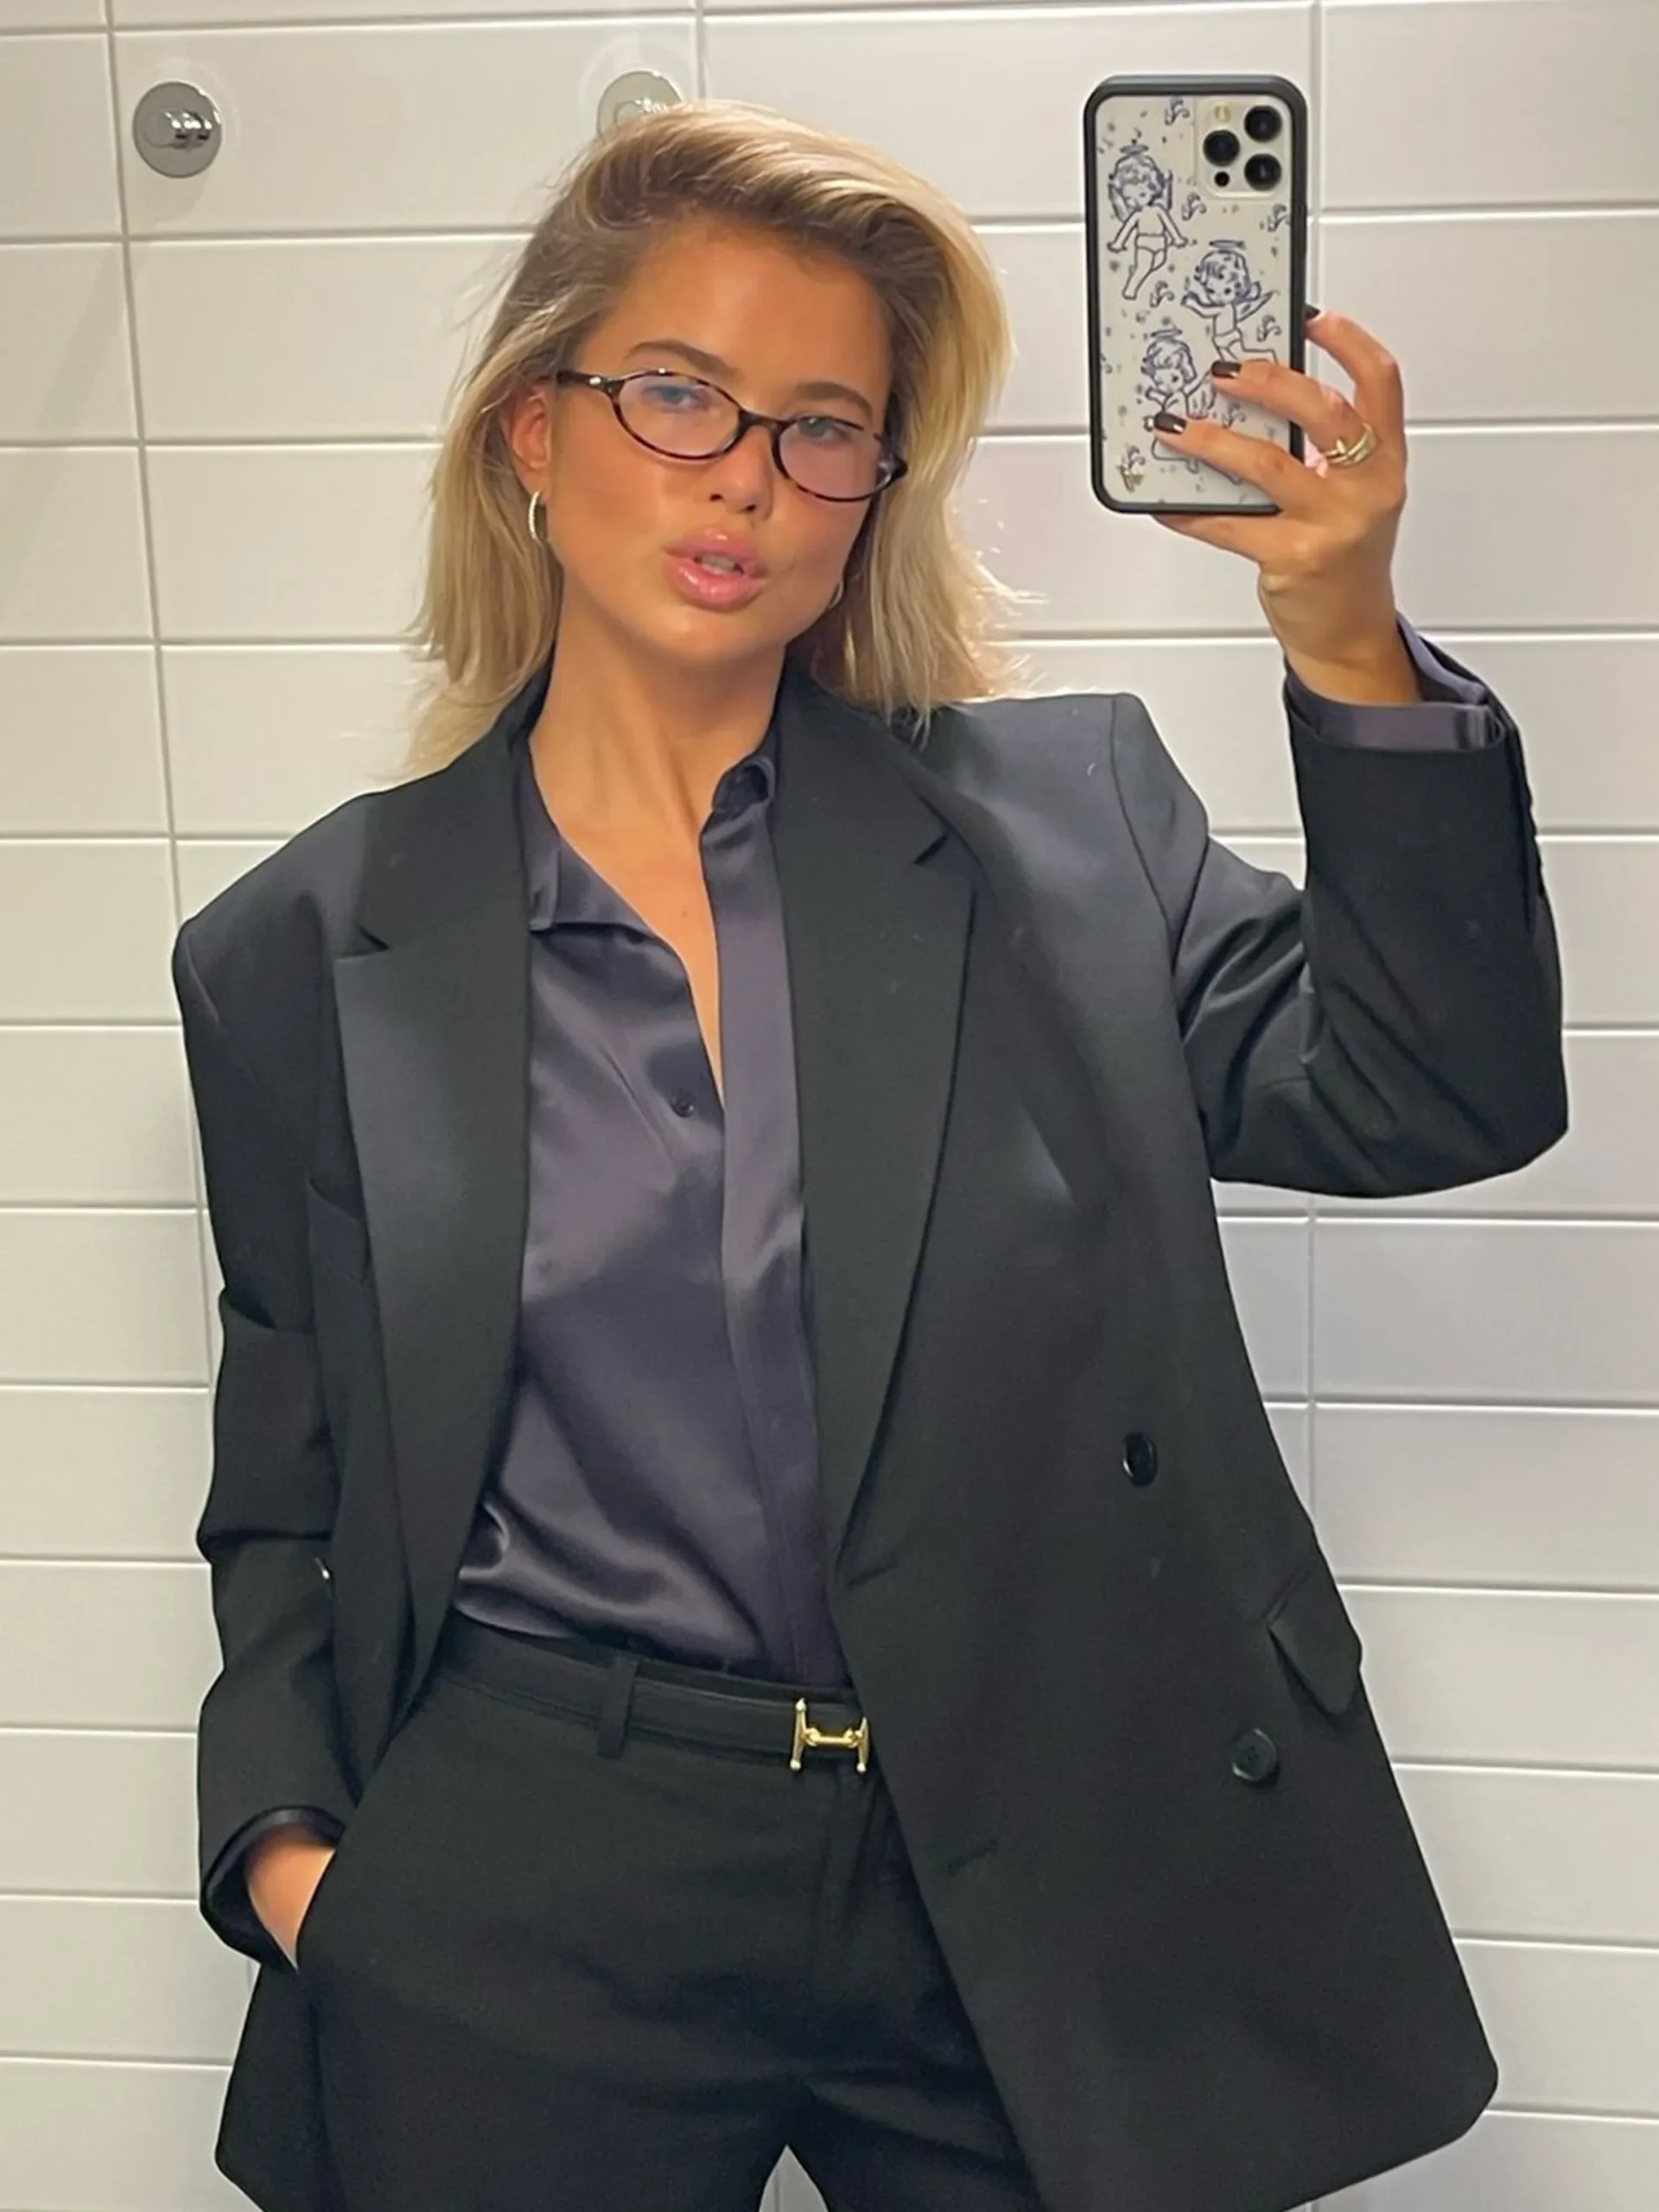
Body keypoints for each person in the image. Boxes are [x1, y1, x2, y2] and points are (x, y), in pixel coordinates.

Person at [172, 98, 1567, 2212]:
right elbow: (286, 1467)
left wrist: (1347, 634)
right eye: (679, 395)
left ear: (872, 494)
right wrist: (294, 1851)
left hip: (1016, 1837)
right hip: (540, 1857)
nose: (747, 473)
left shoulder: (1064, 831)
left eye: (824, 428)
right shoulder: (299, 949)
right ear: (532, 431)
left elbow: (1425, 1089)